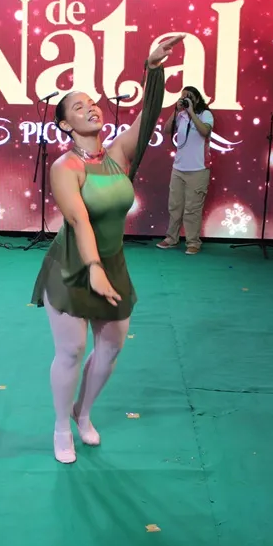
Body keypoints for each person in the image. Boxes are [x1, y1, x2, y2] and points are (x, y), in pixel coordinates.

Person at [31, 33, 186, 464]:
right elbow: (80, 220)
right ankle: (61, 426)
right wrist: (93, 268)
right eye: (78, 107)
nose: (90, 108)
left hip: (113, 264)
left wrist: (153, 70)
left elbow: (149, 118)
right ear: (65, 125)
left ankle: (83, 413)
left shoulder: (118, 155)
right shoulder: (65, 166)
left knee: (112, 348)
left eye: (92, 103)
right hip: (72, 266)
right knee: (71, 351)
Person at [156, 86, 214, 254]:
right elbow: (167, 129)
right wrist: (177, 110)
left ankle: (193, 242)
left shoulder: (205, 114)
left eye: (188, 96)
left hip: (198, 169)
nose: (185, 99)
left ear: (197, 98)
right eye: (183, 97)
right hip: (178, 168)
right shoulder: (181, 115)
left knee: (192, 209)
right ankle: (171, 238)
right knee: (174, 206)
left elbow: (205, 131)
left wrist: (192, 113)